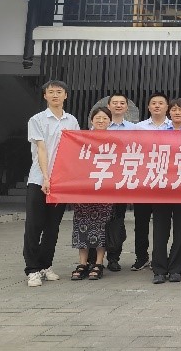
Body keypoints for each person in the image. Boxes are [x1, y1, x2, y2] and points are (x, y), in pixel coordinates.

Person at [23, 80, 81, 287]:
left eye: (59, 91)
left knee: (52, 227)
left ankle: (45, 265)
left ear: (66, 95)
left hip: (61, 182)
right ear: (45, 96)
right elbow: (41, 149)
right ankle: (32, 269)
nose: (55, 95)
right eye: (51, 92)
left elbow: (74, 150)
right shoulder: (37, 119)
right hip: (39, 180)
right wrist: (46, 178)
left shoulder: (71, 121)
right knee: (34, 226)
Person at [130, 92, 172, 272]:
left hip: (166, 181)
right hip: (144, 181)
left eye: (161, 103)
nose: (157, 106)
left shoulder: (173, 127)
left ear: (167, 107)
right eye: (153, 103)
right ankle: (141, 257)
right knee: (141, 221)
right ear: (148, 107)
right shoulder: (138, 127)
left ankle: (160, 256)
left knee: (163, 222)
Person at [71, 107, 114, 281]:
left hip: (105, 190)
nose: (101, 121)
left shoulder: (115, 141)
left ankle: (98, 263)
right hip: (84, 190)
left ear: (110, 121)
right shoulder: (82, 139)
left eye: (105, 118)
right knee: (82, 224)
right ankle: (82, 263)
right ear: (91, 120)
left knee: (101, 226)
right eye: (98, 118)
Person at [151, 98, 181, 284]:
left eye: (180, 109)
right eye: (174, 109)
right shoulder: (159, 135)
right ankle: (159, 269)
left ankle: (176, 268)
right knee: (160, 230)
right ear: (169, 112)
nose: (177, 112)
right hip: (162, 188)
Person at [103, 92, 137, 273]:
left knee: (118, 219)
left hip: (122, 181)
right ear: (108, 106)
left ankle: (114, 258)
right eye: (114, 102)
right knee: (98, 219)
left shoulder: (134, 129)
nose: (118, 105)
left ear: (126, 107)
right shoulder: (99, 126)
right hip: (101, 180)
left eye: (122, 103)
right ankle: (95, 258)